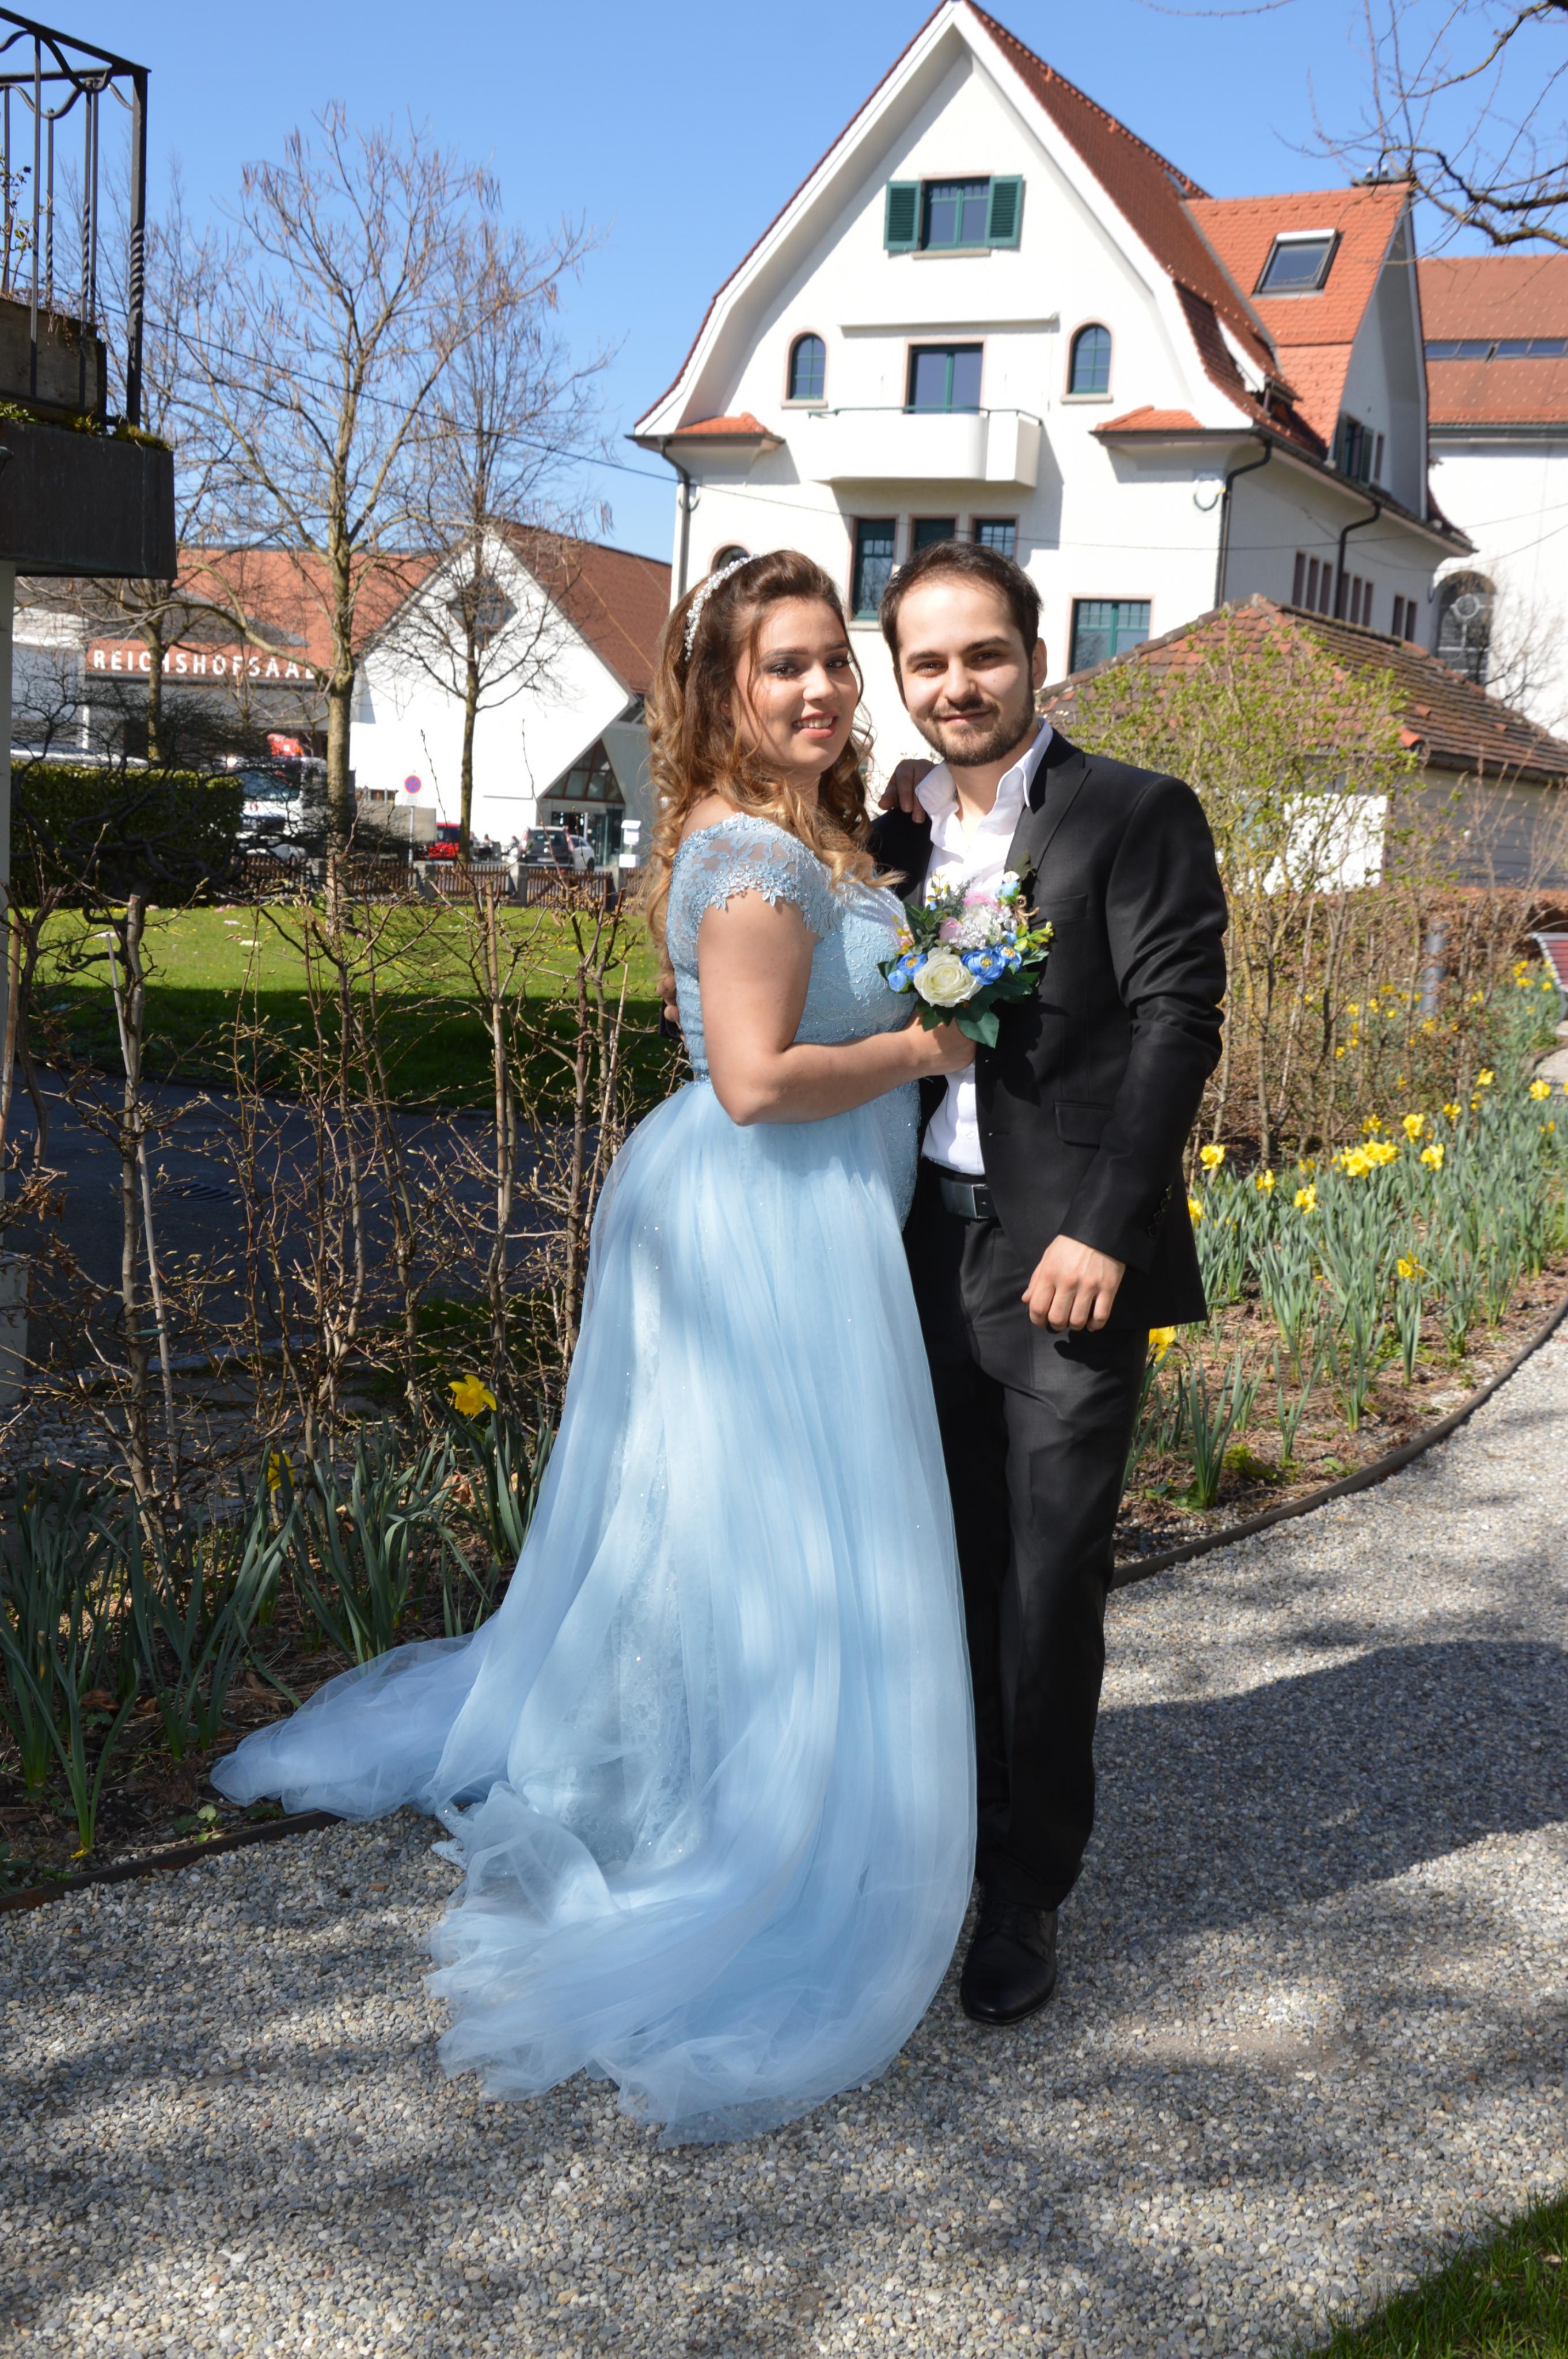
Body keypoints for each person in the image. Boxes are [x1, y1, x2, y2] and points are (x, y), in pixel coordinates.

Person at [213, 549, 977, 2146]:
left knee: (734, 1523)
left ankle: (735, 1761)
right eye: (784, 666)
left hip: (808, 1212)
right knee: (749, 1530)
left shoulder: (820, 833)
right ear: (722, 691)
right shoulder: (754, 856)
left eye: (833, 660)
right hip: (764, 1216)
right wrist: (929, 1044)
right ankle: (716, 1801)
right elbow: (757, 1081)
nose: (823, 688)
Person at [868, 539, 1226, 2028]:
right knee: (942, 1566)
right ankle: (951, 1832)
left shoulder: (1135, 813)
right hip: (913, 1248)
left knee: (1047, 1577)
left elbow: (1176, 1023)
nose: (957, 684)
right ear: (902, 678)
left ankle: (1026, 1884)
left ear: (1036, 658)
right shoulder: (891, 839)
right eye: (928, 662)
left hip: (1065, 1261)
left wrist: (1102, 1228)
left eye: (983, 654)